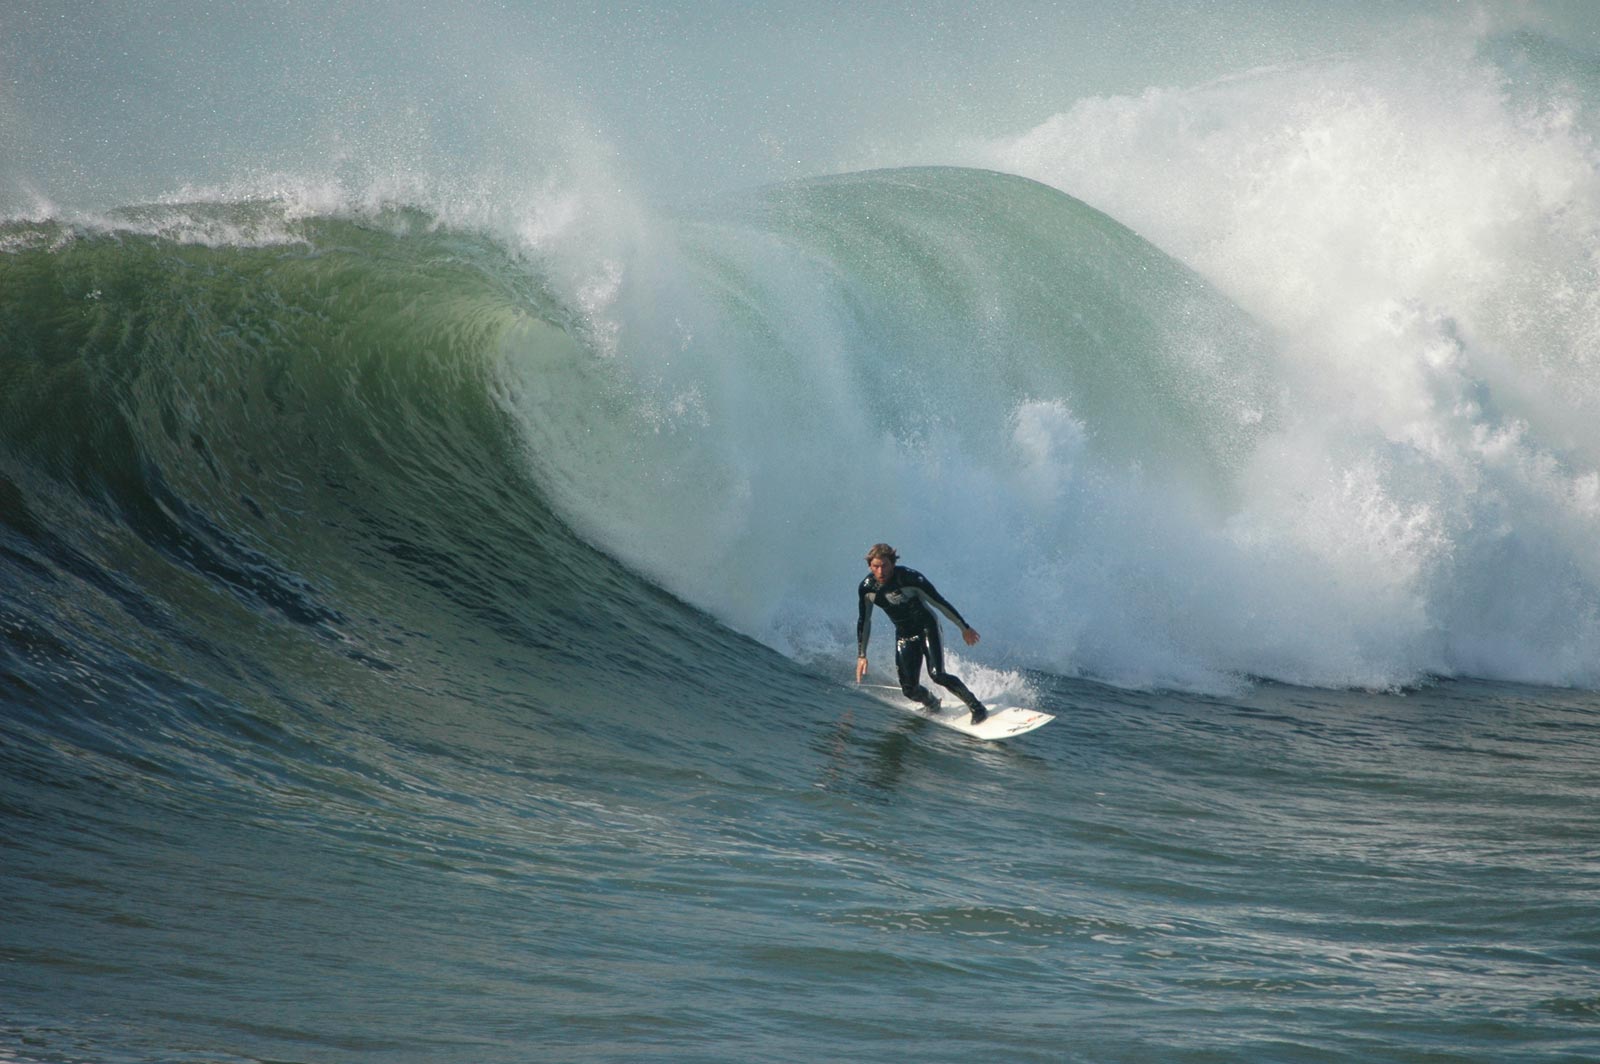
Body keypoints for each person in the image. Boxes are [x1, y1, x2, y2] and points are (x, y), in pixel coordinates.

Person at [855, 543, 989, 725]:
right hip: (904, 636)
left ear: (893, 564)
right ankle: (932, 703)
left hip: (927, 628)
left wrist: (964, 628)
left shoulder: (910, 578)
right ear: (870, 566)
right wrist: (862, 655)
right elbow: (865, 621)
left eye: (885, 565)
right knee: (909, 690)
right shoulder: (867, 588)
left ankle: (977, 707)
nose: (880, 571)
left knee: (937, 674)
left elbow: (939, 602)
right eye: (876, 566)